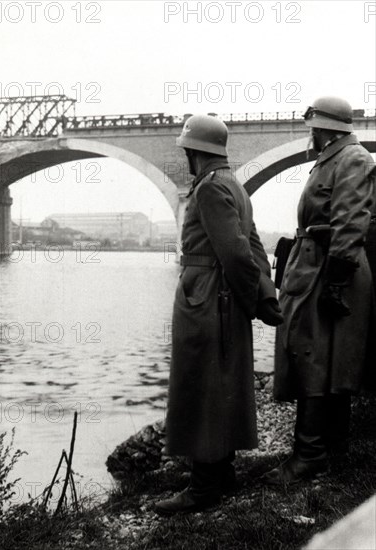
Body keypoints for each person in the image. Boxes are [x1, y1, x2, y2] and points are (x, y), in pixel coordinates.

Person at [154, 114, 283, 515]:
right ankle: (219, 473)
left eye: (186, 151)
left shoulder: (209, 189)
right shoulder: (233, 186)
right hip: (221, 298)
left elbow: (236, 253)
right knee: (221, 382)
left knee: (201, 384)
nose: (185, 157)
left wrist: (250, 299)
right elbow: (255, 248)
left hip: (206, 297)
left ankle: (204, 486)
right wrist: (263, 299)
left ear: (196, 152)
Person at [264, 96, 376, 486]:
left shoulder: (353, 159)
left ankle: (310, 455)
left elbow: (351, 223)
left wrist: (336, 282)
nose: (309, 134)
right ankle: (331, 448)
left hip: (329, 270)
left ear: (325, 126)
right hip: (317, 265)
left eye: (312, 126)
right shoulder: (335, 157)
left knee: (318, 357)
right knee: (324, 356)